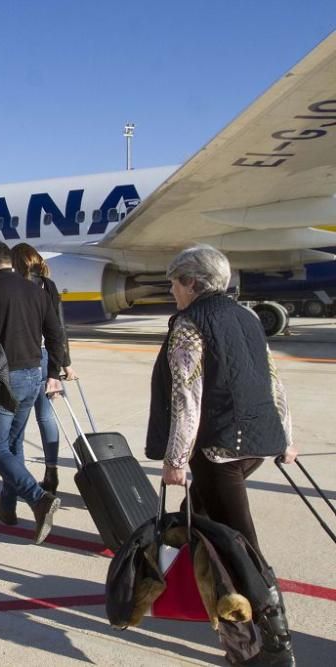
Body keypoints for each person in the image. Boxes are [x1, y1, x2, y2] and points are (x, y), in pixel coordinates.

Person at [147, 245, 296, 665]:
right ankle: (230, 628)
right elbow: (271, 379)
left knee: (239, 549)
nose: (172, 290)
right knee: (206, 532)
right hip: (253, 443)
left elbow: (187, 396)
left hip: (218, 451)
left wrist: (176, 459)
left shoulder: (189, 324)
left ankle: (267, 645)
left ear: (191, 283)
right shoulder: (246, 316)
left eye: (174, 282)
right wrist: (284, 436)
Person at [0, 241, 65, 544]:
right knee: (13, 443)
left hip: (4, 379)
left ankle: (38, 499)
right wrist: (53, 373)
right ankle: (7, 507)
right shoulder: (36, 290)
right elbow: (56, 334)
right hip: (33, 376)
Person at [11, 243, 77, 494]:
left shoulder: (15, 286)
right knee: (46, 416)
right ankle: (52, 472)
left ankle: (19, 478)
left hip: (23, 357)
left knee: (18, 422)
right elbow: (59, 328)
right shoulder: (48, 286)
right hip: (47, 355)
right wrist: (65, 362)